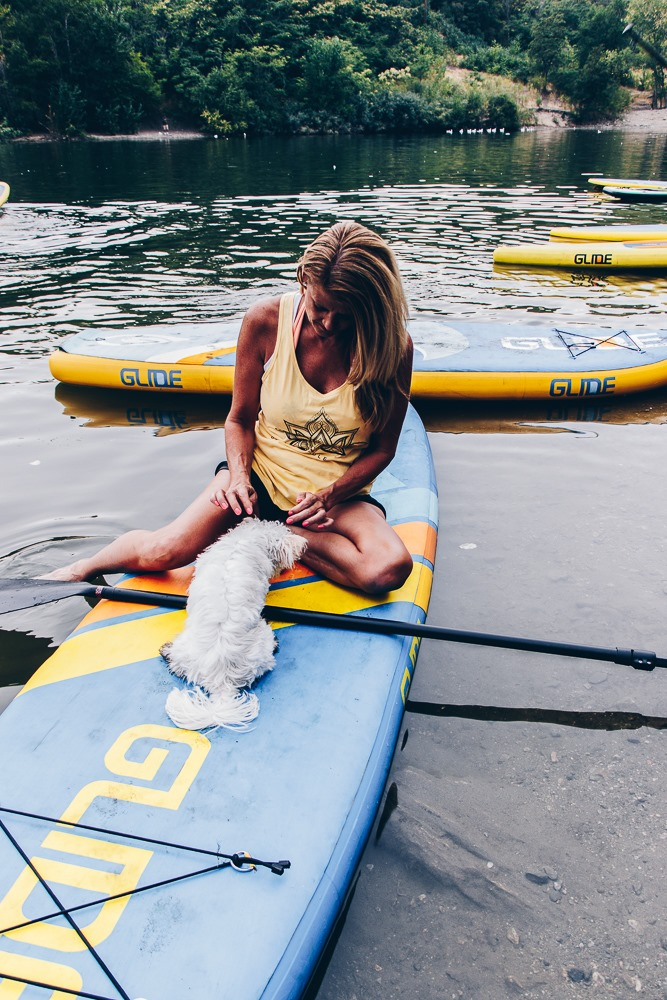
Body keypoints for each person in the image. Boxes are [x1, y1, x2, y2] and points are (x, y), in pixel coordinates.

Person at [46, 221, 414, 595]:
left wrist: (329, 494)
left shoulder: (394, 347)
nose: (329, 323)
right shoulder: (265, 321)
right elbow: (239, 419)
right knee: (165, 552)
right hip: (259, 478)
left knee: (387, 570)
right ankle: (83, 566)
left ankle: (277, 533)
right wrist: (239, 479)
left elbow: (383, 449)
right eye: (320, 306)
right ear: (303, 278)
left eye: (347, 315)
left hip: (336, 499)